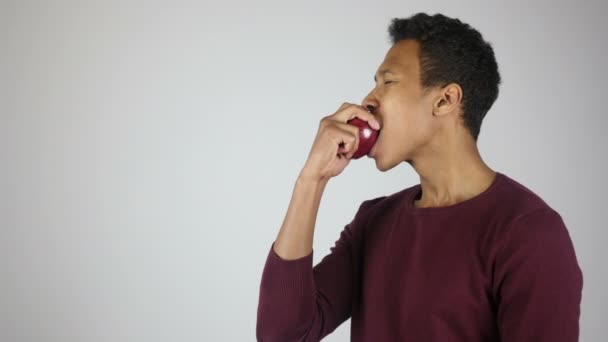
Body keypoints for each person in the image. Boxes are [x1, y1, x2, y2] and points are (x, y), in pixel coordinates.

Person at [256, 12, 583, 342]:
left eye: (388, 81)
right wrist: (311, 180)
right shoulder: (373, 222)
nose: (369, 99)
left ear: (445, 100)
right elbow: (281, 334)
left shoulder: (529, 232)